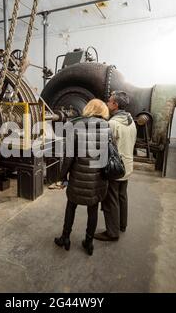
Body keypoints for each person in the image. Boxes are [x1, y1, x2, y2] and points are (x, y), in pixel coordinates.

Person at [54, 99, 110, 256]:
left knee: (71, 206)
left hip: (78, 177)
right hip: (98, 178)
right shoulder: (107, 128)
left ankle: (65, 238)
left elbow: (69, 157)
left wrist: (62, 176)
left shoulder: (76, 126)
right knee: (93, 210)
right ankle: (89, 242)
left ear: (88, 108)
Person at [95, 91, 137, 242]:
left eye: (110, 101)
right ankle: (122, 225)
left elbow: (105, 148)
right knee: (122, 195)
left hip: (115, 168)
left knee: (110, 199)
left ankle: (112, 232)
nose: (107, 103)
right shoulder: (131, 121)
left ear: (115, 105)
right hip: (127, 165)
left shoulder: (112, 124)